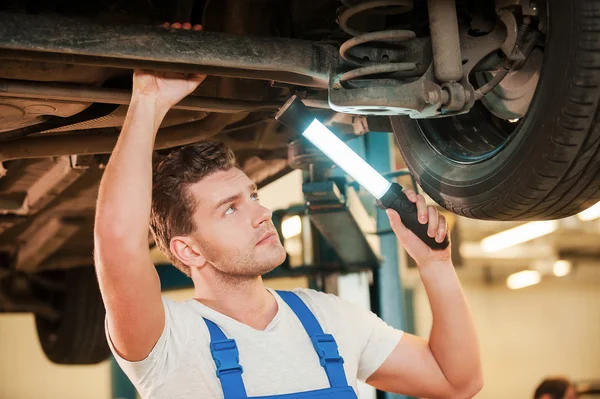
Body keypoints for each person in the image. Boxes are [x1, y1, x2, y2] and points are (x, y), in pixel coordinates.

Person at [93, 22, 483, 399]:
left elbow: (455, 382)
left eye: (253, 196)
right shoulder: (168, 342)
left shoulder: (327, 318)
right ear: (188, 250)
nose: (261, 214)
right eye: (230, 210)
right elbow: (117, 240)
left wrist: (435, 265)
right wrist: (148, 100)